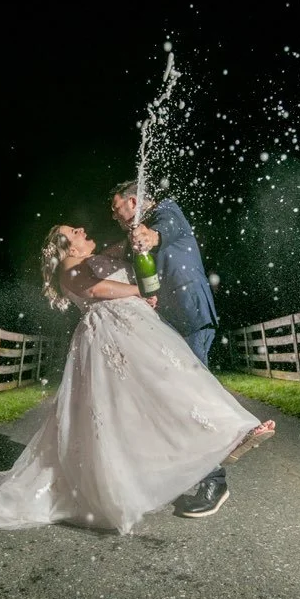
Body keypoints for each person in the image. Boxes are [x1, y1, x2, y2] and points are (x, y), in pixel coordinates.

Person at [0, 223, 274, 535]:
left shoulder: (94, 258)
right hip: (113, 332)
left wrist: (138, 239)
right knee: (165, 386)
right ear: (67, 247)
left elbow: (125, 250)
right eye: (73, 232)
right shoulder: (69, 265)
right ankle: (226, 433)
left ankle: (224, 434)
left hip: (134, 326)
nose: (81, 229)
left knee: (165, 387)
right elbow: (94, 290)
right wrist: (140, 291)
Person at [110, 179, 235, 517]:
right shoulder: (134, 236)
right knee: (172, 397)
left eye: (116, 208)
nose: (114, 215)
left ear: (133, 202)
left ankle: (215, 481)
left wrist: (150, 237)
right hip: (169, 323)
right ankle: (184, 470)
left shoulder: (167, 211)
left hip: (191, 316)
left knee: (192, 398)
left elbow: (162, 231)